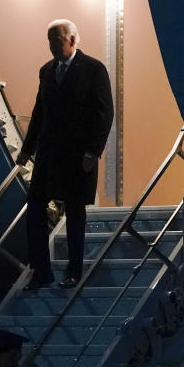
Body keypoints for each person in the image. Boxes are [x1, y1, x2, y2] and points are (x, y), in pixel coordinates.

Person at [16, 19, 114, 289]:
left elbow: (104, 114)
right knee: (34, 207)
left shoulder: (94, 69)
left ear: (72, 39)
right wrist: (27, 149)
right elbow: (40, 112)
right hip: (48, 154)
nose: (52, 45)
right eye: (49, 39)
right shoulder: (46, 70)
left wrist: (93, 151)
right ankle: (41, 272)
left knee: (75, 212)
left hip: (77, 155)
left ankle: (74, 271)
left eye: (57, 39)